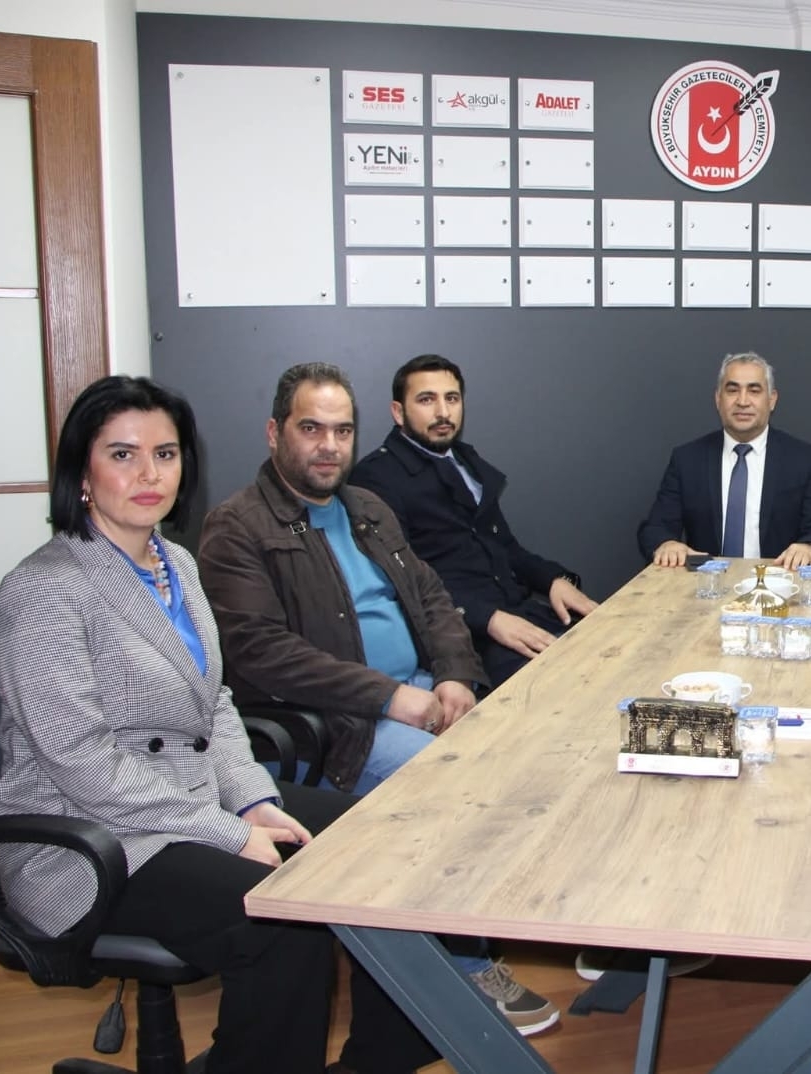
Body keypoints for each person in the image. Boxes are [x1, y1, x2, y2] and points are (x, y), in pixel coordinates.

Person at [0, 375, 437, 1074]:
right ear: (81, 473)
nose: (149, 474)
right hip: (92, 841)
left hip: (191, 802)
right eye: (123, 454)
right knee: (284, 923)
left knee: (378, 845)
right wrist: (228, 832)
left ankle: (377, 1061)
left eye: (165, 454)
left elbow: (215, 705)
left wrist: (253, 799)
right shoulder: (45, 589)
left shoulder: (178, 564)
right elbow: (81, 763)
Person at [197, 361, 557, 1035]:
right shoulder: (236, 528)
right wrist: (391, 697)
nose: (329, 446)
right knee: (453, 788)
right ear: (275, 433)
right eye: (311, 429)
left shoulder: (367, 509)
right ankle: (462, 969)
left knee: (529, 755)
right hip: (332, 725)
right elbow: (263, 653)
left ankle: (481, 935)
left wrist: (455, 675)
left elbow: (433, 598)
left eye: (342, 431)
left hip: (418, 693)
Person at [350, 353, 597, 688]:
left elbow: (505, 547)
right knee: (564, 687)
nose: (443, 412)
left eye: (452, 399)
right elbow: (403, 582)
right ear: (398, 412)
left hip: (519, 612)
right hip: (462, 639)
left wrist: (554, 580)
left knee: (614, 647)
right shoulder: (375, 478)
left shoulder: (466, 460)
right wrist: (489, 619)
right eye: (426, 400)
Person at [638, 351, 811, 568]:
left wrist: (810, 546)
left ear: (772, 400)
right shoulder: (687, 459)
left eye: (754, 391)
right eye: (732, 390)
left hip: (780, 580)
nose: (743, 401)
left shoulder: (804, 459)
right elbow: (655, 528)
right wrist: (666, 543)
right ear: (718, 399)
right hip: (707, 583)